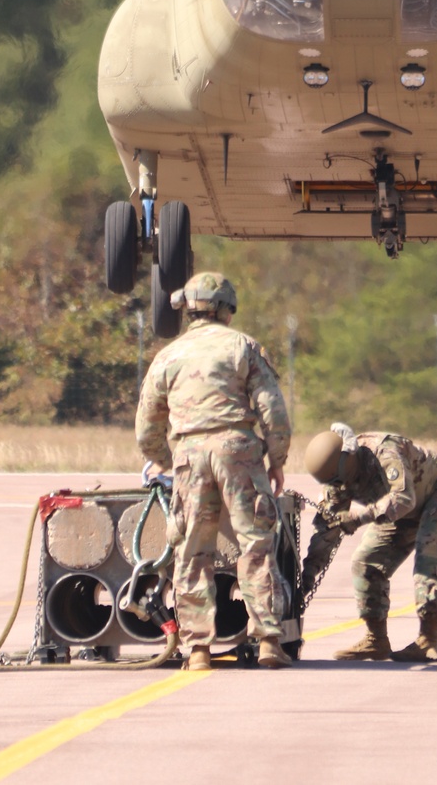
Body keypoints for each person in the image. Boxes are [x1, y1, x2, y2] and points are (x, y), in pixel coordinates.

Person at [135, 270, 293, 671]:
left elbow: (146, 427)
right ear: (226, 308)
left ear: (188, 310)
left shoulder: (168, 355)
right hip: (238, 450)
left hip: (189, 453)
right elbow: (272, 410)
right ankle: (270, 641)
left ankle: (199, 650)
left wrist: (170, 461)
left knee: (192, 551)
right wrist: (276, 459)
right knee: (255, 543)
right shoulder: (243, 346)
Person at [300, 424, 437, 662]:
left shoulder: (384, 452)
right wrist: (305, 580)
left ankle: (428, 639)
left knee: (430, 561)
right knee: (365, 562)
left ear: (348, 461)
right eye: (332, 483)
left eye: (339, 480)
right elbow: (327, 532)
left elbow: (403, 498)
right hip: (398, 508)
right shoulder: (337, 480)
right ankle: (376, 639)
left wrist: (358, 518)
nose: (338, 486)